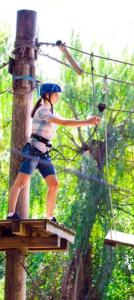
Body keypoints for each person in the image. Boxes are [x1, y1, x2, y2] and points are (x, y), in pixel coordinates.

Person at [7, 83, 101, 222]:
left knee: (54, 184)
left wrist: (90, 120)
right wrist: (87, 122)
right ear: (47, 95)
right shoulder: (42, 111)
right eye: (56, 95)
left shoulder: (51, 112)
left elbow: (67, 120)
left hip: (43, 152)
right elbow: (64, 123)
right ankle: (10, 214)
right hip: (33, 150)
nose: (58, 98)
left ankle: (49, 216)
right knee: (21, 182)